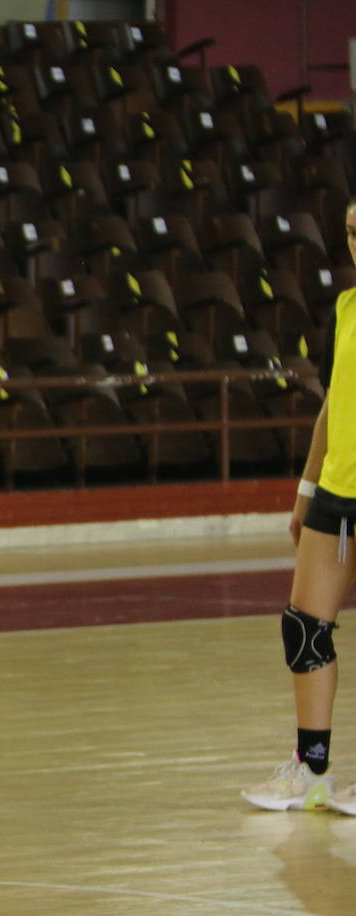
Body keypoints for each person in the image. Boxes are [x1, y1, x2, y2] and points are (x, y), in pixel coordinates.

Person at [243, 196, 356, 814]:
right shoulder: (346, 308)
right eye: (350, 232)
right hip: (338, 495)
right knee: (304, 627)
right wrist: (305, 492)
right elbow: (333, 407)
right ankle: (312, 770)